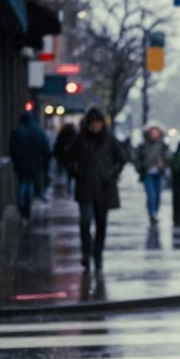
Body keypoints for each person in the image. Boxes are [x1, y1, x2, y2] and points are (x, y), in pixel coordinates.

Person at [65, 107, 128, 271]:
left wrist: (110, 174)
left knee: (101, 223)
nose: (95, 126)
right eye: (93, 123)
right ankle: (86, 253)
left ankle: (97, 254)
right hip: (85, 187)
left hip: (104, 188)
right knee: (85, 221)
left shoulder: (109, 139)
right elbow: (68, 158)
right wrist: (77, 173)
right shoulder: (80, 140)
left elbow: (121, 158)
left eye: (98, 123)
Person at [8, 110, 51, 225]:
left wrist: (16, 161)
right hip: (33, 165)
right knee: (29, 186)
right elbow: (45, 149)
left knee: (22, 185)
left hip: (21, 166)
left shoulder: (16, 132)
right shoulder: (37, 131)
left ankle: (22, 208)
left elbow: (11, 150)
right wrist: (44, 165)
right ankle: (26, 209)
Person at [134, 125, 171, 225]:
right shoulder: (143, 146)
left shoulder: (163, 145)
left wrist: (163, 164)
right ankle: (152, 213)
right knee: (151, 194)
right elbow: (137, 158)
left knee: (158, 195)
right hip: (147, 173)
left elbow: (168, 157)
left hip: (159, 173)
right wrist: (140, 168)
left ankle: (155, 212)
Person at [53, 122, 78, 195]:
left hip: (62, 159)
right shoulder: (74, 136)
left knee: (61, 174)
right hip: (70, 160)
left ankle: (62, 188)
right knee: (70, 175)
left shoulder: (61, 136)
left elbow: (57, 147)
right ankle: (69, 189)